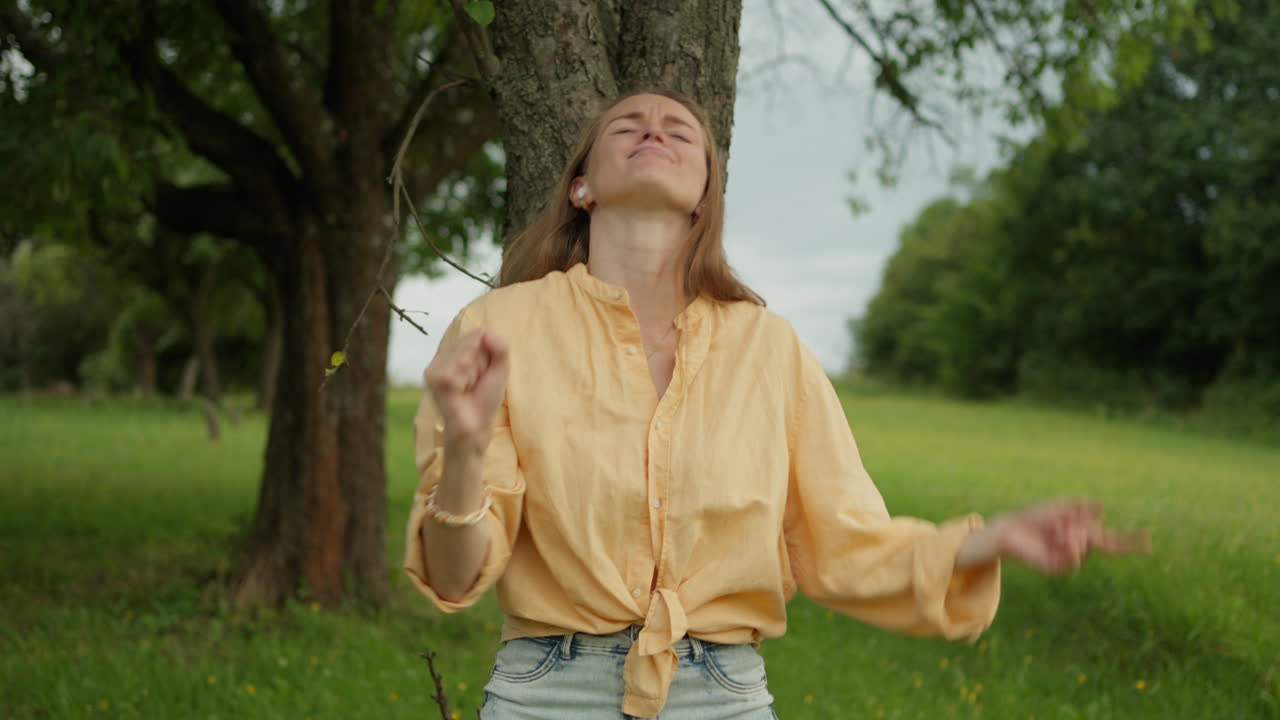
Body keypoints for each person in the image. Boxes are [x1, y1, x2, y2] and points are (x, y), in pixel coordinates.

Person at [404, 90, 1149, 720]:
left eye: (679, 131)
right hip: (547, 693)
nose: (654, 132)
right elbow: (454, 573)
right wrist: (465, 456)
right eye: (627, 127)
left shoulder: (770, 346)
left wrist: (993, 541)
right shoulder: (500, 327)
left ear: (704, 197)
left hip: (721, 695)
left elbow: (845, 542)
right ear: (581, 188)